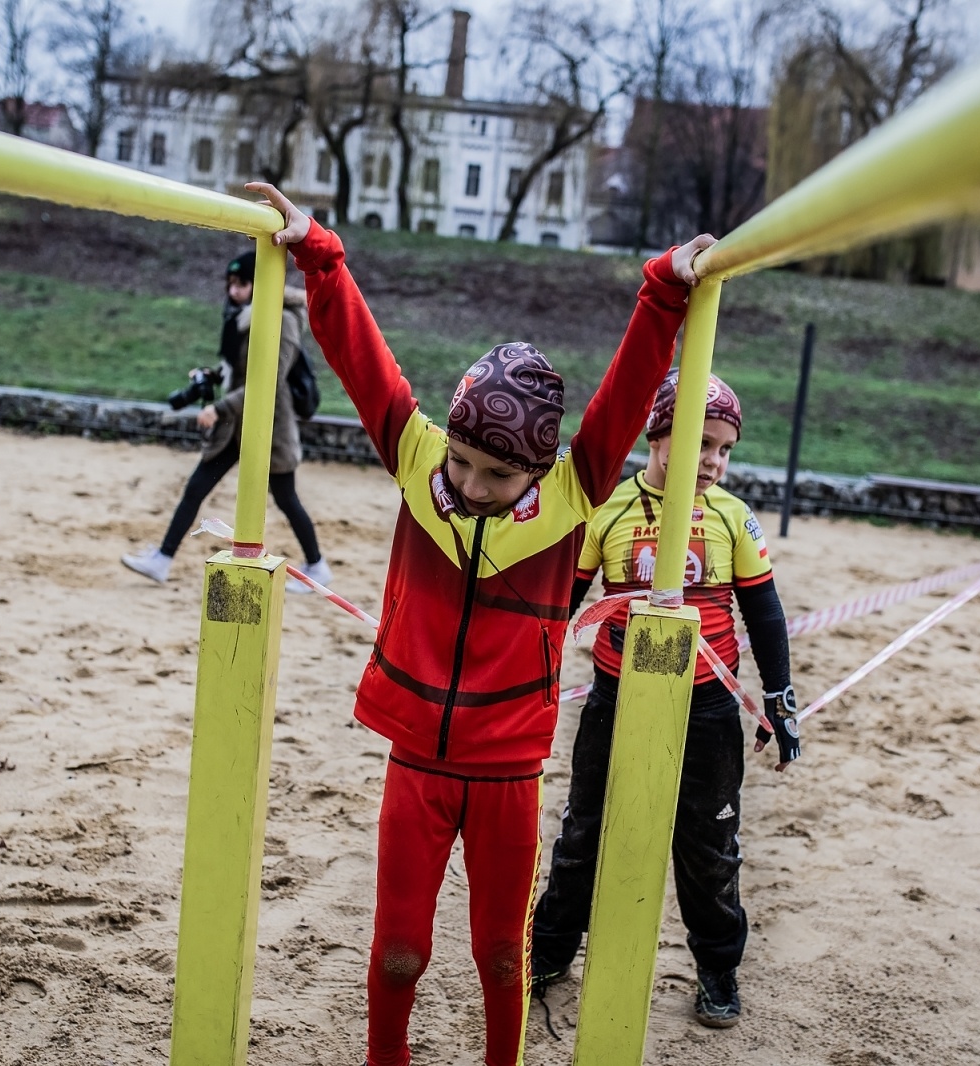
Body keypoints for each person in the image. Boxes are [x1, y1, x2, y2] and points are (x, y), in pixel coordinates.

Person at [243, 179, 716, 1066]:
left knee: (503, 953)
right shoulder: (420, 461)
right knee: (398, 951)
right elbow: (363, 361)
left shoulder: (574, 493)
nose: (470, 485)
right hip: (416, 762)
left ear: (538, 469)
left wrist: (664, 291)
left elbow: (624, 396)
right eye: (463, 462)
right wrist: (318, 253)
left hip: (507, 770)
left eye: (497, 475)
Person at [530, 371, 799, 1030]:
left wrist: (779, 699)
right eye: (700, 442)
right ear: (657, 436)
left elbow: (765, 613)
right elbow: (560, 606)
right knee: (583, 833)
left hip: (709, 708)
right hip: (615, 699)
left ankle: (718, 970)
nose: (713, 460)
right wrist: (528, 679)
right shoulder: (609, 510)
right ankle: (550, 951)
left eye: (724, 449)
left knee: (710, 848)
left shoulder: (733, 517)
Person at [121, 249, 331, 591]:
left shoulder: (283, 319)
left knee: (286, 497)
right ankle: (162, 559)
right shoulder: (242, 316)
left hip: (268, 428)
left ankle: (317, 566)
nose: (234, 291)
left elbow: (267, 383)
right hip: (236, 426)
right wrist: (212, 375)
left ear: (260, 284)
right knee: (196, 488)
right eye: (230, 283)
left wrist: (219, 408)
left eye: (242, 283)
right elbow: (239, 368)